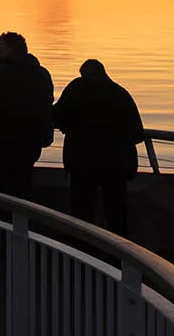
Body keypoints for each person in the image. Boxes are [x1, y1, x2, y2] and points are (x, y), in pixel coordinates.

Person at [52, 59, 145, 232]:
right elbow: (138, 133)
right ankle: (118, 254)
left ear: (83, 74)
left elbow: (56, 116)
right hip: (117, 165)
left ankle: (82, 252)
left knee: (82, 212)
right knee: (116, 213)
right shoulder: (121, 93)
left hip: (83, 163)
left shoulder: (77, 88)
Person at [0, 32, 56, 199]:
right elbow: (47, 103)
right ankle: (19, 223)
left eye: (0, 48)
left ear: (12, 49)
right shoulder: (42, 75)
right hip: (30, 143)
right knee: (22, 187)